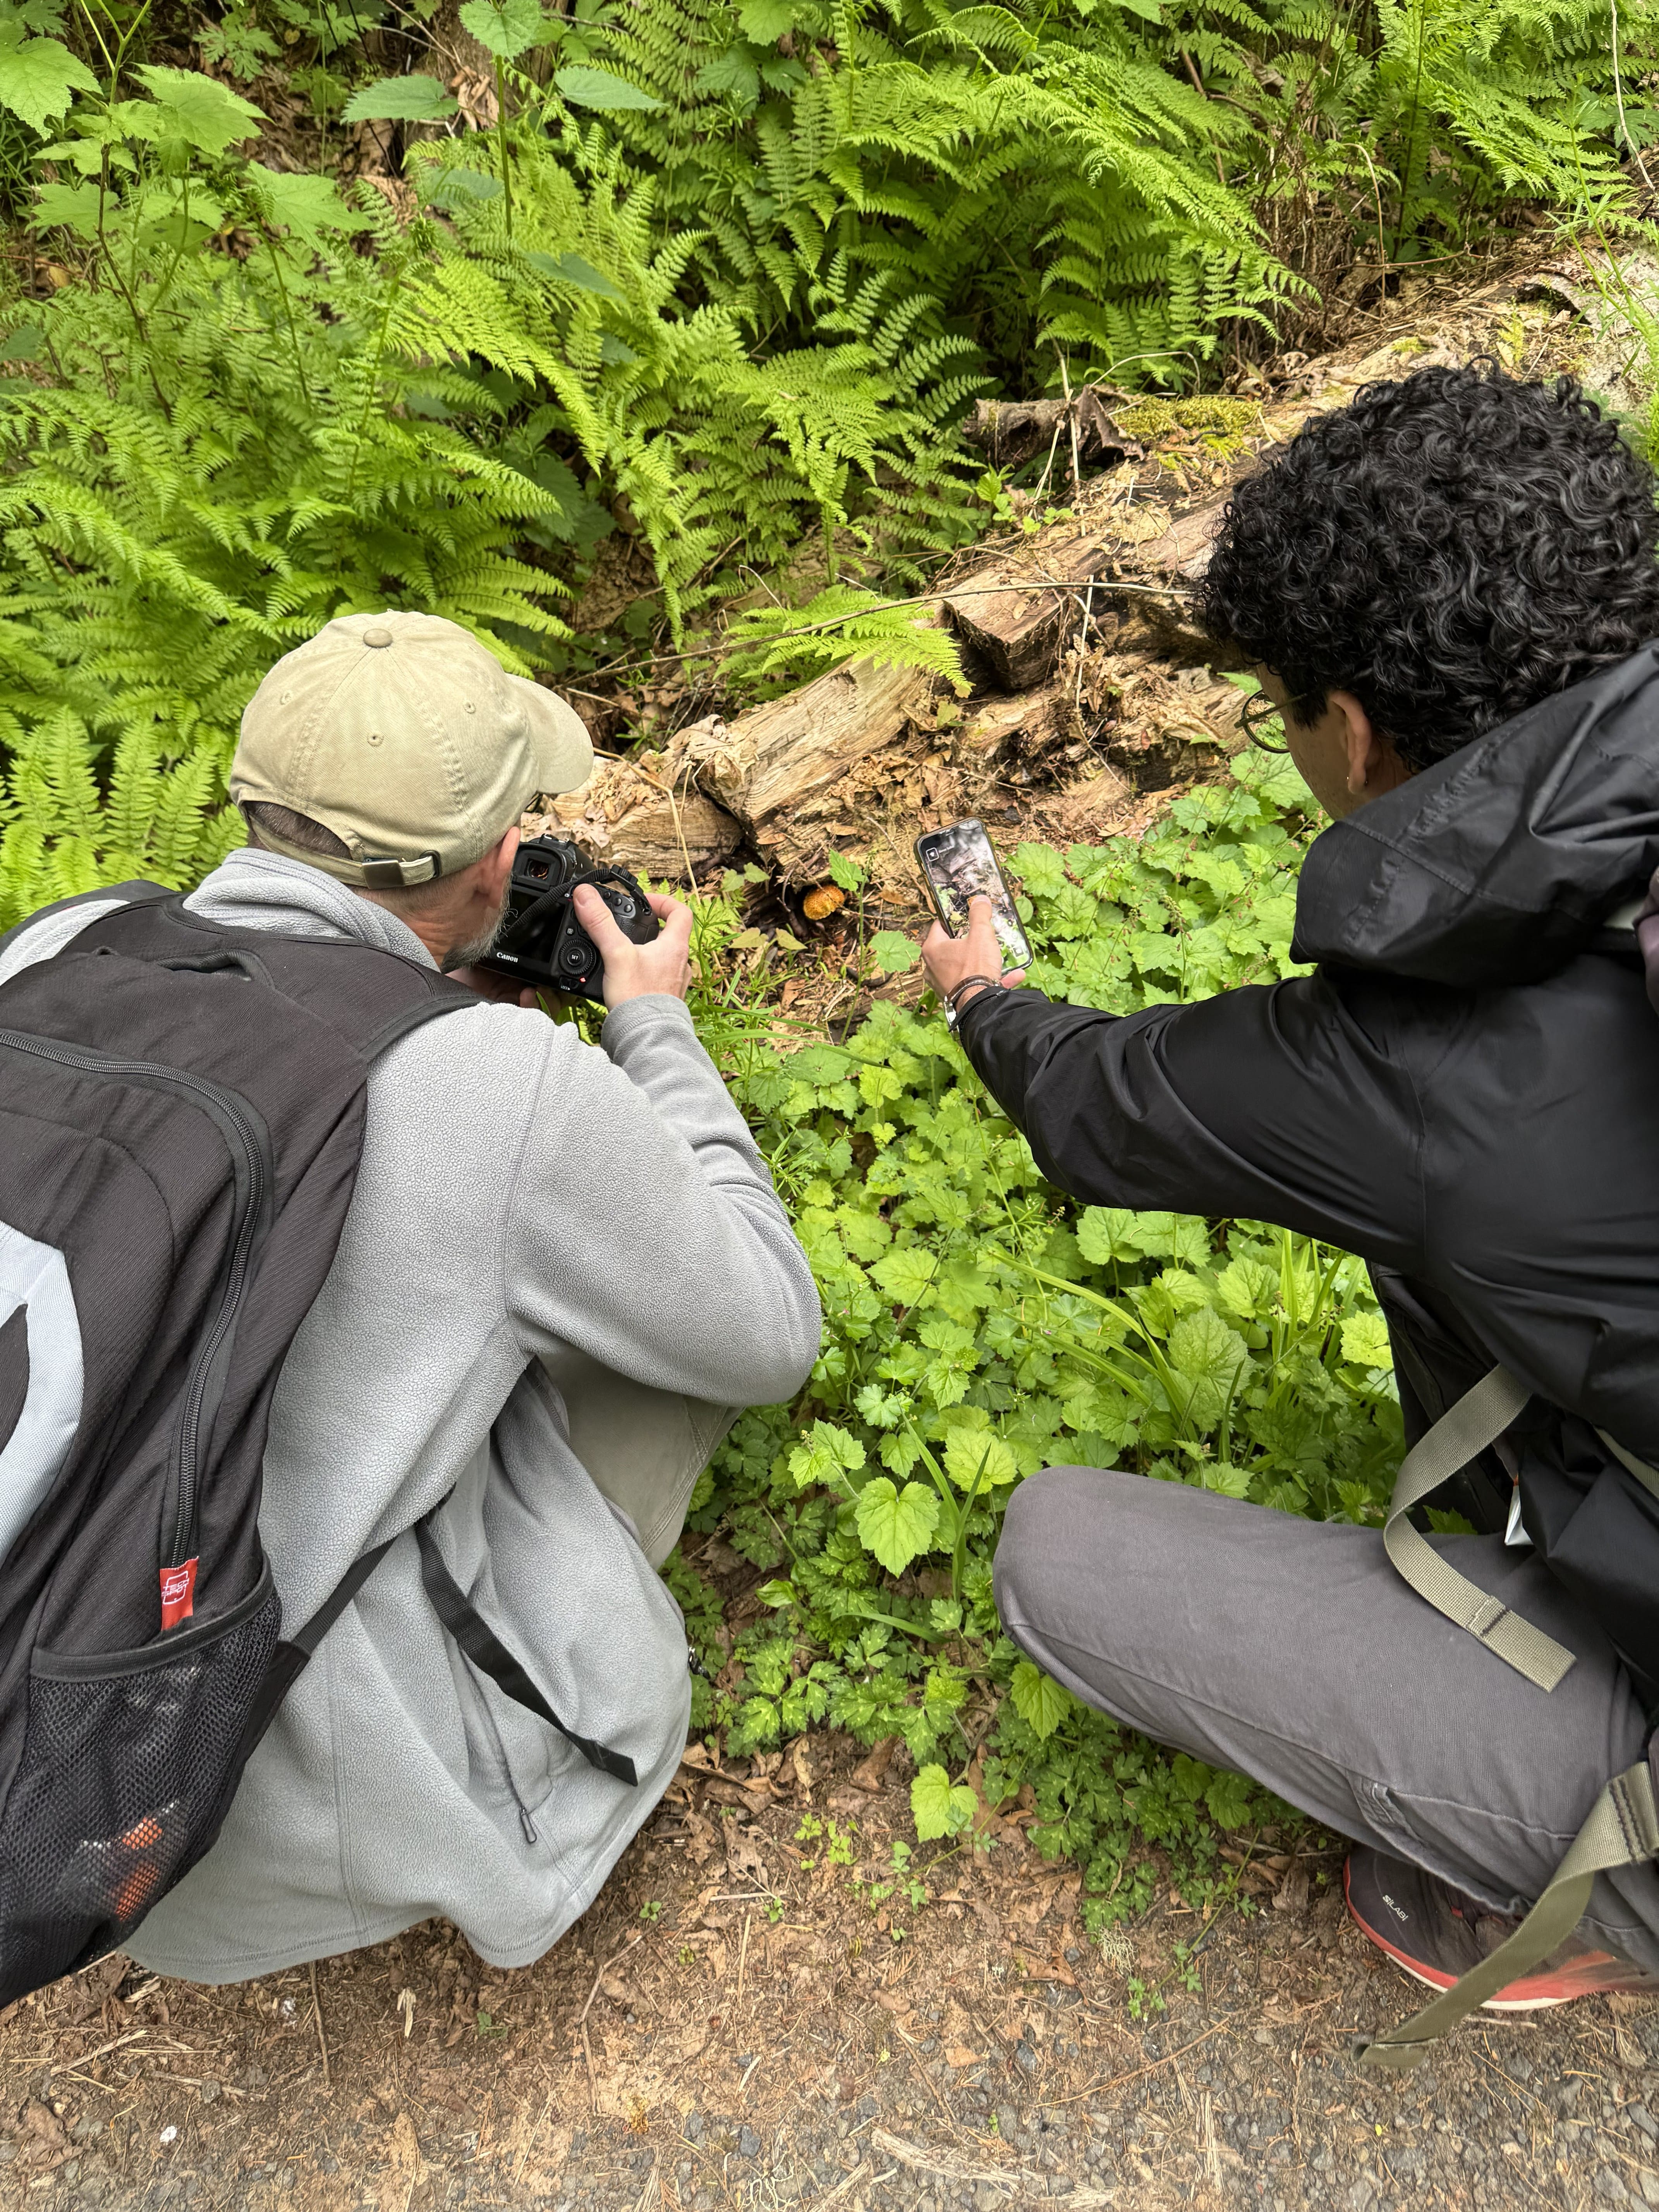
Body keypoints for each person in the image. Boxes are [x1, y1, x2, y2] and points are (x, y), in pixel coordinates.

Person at [922, 365, 1659, 2027]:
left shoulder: (1425, 1072)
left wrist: (985, 999)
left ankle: (1618, 1898)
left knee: (1063, 1552)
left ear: (1346, 727)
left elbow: (1106, 1112)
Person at [0, 608, 821, 1982]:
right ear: (499, 856)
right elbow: (764, 1333)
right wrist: (647, 1024)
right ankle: (505, 1803)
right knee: (632, 1322)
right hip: (275, 1838)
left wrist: (418, 987)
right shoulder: (488, 1078)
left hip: (73, 1757)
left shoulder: (57, 945)